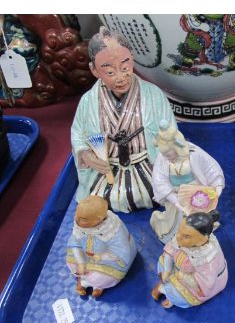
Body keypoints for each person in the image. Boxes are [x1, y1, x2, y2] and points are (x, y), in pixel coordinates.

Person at [71, 26, 177, 213]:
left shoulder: (153, 95)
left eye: (125, 67)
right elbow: (78, 135)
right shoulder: (88, 101)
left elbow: (171, 133)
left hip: (148, 167)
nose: (120, 77)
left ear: (132, 59)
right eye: (110, 72)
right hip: (107, 172)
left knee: (158, 192)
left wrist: (166, 143)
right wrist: (85, 155)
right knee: (99, 203)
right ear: (94, 70)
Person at [150, 121, 225, 243]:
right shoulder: (162, 159)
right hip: (176, 194)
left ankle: (200, 233)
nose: (168, 157)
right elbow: (159, 180)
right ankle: (178, 234)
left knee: (198, 216)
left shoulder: (194, 153)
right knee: (179, 217)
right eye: (165, 155)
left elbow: (210, 167)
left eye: (171, 154)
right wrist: (174, 199)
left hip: (196, 194)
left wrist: (217, 185)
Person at [151, 210, 228, 309]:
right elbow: (170, 250)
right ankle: (166, 284)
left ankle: (166, 292)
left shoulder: (207, 257)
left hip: (197, 283)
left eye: (186, 236)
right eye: (179, 231)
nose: (178, 237)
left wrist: (182, 276)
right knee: (162, 263)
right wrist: (167, 270)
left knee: (180, 296)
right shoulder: (180, 237)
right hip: (182, 266)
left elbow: (206, 285)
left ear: (203, 239)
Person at [66, 195, 137, 298]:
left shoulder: (113, 229)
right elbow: (75, 241)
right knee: (73, 264)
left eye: (83, 219)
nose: (77, 220)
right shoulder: (79, 225)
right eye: (77, 215)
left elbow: (121, 252)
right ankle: (84, 278)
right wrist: (81, 262)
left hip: (109, 260)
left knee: (99, 278)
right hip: (86, 255)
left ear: (98, 219)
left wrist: (100, 257)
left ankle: (93, 284)